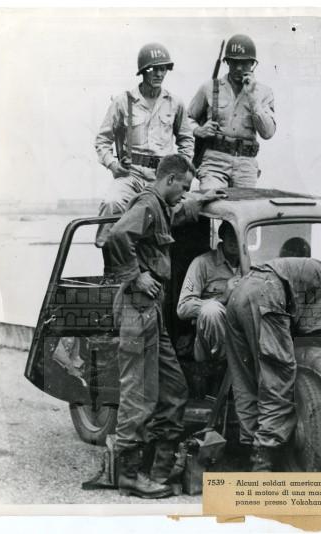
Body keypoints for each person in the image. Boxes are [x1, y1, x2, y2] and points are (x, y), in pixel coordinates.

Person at [105, 154, 225, 498]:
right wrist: (136, 276)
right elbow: (116, 236)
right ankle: (130, 475)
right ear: (169, 179)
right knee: (139, 394)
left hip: (152, 312)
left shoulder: (161, 206)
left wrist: (202, 198)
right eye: (183, 186)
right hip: (138, 308)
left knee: (174, 389)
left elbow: (180, 211)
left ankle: (159, 469)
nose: (184, 193)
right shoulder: (147, 204)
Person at [224, 258, 321, 471]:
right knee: (279, 375)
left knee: (245, 378)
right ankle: (262, 461)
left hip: (240, 292)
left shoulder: (316, 275)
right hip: (267, 293)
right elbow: (307, 328)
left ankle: (248, 448)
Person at [95, 42, 195, 253]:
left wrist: (181, 169)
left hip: (161, 179)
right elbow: (102, 140)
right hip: (131, 175)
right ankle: (109, 257)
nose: (159, 74)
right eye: (153, 69)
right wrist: (113, 165)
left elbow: (186, 139)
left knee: (185, 212)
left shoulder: (175, 103)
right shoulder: (123, 102)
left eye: (163, 69)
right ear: (142, 71)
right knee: (112, 204)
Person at [188, 34, 276, 190]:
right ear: (227, 62)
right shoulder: (209, 87)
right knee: (211, 198)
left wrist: (253, 98)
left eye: (244, 63)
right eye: (234, 62)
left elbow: (268, 132)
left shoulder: (264, 92)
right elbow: (186, 119)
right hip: (214, 161)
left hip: (246, 163)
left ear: (252, 64)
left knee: (246, 203)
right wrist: (198, 130)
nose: (239, 68)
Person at [176, 221, 242, 362]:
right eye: (231, 234)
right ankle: (224, 364)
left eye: (239, 234)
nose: (235, 239)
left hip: (240, 333)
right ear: (222, 235)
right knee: (211, 310)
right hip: (210, 343)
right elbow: (183, 307)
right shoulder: (202, 263)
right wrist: (222, 298)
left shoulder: (250, 266)